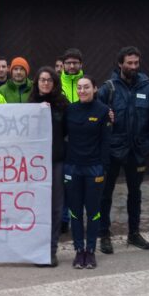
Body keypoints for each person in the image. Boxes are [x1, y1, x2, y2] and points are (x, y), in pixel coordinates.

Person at [97, 46, 149, 253]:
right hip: (114, 151)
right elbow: (96, 118)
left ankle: (134, 233)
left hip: (137, 152)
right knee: (105, 194)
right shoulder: (108, 88)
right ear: (120, 64)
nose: (133, 66)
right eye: (129, 63)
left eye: (136, 63)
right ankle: (104, 234)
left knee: (135, 194)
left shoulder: (147, 87)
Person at [65, 76, 112, 269]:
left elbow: (106, 142)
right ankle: (78, 251)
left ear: (95, 89)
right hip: (72, 167)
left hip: (94, 168)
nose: (82, 91)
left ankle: (90, 251)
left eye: (86, 87)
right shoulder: (70, 110)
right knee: (75, 212)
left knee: (93, 212)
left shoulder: (103, 111)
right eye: (79, 88)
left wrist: (104, 167)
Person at [28, 66, 69, 267]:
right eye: (42, 80)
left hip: (56, 162)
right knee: (36, 207)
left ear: (55, 83)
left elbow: (74, 128)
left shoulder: (63, 104)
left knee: (55, 208)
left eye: (49, 80)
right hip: (34, 165)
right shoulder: (29, 104)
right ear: (37, 82)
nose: (45, 83)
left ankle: (51, 250)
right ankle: (36, 249)